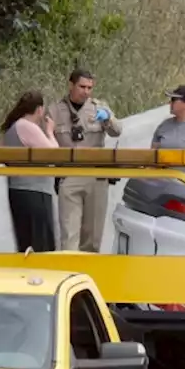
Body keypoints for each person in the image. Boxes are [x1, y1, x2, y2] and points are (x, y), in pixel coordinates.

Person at [49, 68, 123, 251]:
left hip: (96, 176)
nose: (86, 91)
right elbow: (46, 140)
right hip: (69, 175)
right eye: (82, 86)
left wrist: (107, 119)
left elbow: (117, 131)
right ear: (71, 85)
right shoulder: (55, 110)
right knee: (69, 236)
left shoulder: (99, 107)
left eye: (90, 88)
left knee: (92, 238)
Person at [0, 89, 59, 252]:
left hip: (17, 191)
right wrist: (49, 132)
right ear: (39, 109)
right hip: (35, 191)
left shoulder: (12, 129)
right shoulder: (27, 127)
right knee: (41, 244)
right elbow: (54, 154)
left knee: (25, 242)